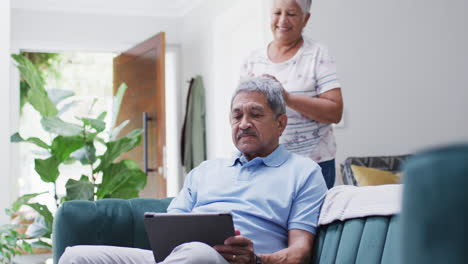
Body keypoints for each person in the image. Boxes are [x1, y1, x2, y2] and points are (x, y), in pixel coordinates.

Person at [59, 76, 327, 264]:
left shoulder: (303, 172)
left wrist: (256, 259)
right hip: (180, 259)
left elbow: (300, 253)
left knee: (198, 255)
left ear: (281, 124)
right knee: (76, 257)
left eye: (255, 115)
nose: (244, 124)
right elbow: (169, 229)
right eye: (236, 116)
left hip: (233, 262)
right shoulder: (206, 171)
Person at [241, 0, 343, 189]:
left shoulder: (318, 54)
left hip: (315, 164)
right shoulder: (253, 60)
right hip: (266, 163)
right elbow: (241, 112)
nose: (282, 20)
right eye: (277, 13)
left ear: (306, 19)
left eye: (291, 14)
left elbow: (335, 112)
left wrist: (287, 98)